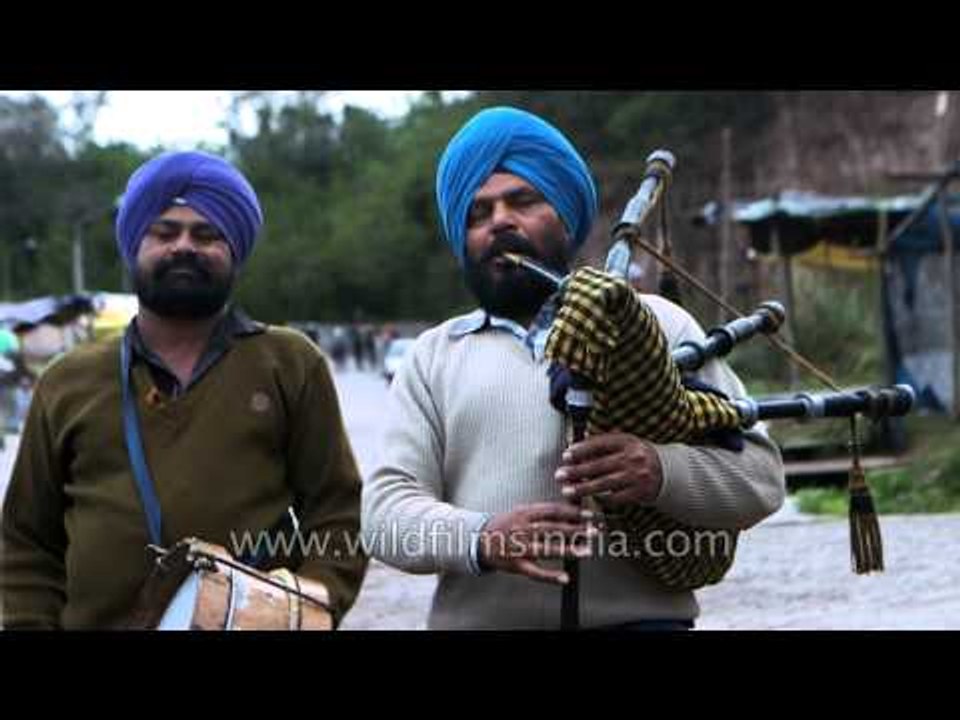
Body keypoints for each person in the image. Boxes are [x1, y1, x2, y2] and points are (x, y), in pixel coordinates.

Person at [361, 106, 786, 630]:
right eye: (477, 213)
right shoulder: (433, 356)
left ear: (564, 213)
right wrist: (481, 537)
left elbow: (762, 480)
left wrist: (659, 470)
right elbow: (384, 517)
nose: (500, 222)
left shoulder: (659, 325)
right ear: (462, 238)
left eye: (523, 201)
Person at [1, 151, 367, 629]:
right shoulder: (67, 380)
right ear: (135, 244)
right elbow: (27, 541)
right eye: (165, 231)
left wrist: (309, 603)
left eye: (207, 234)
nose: (184, 247)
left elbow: (339, 514)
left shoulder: (289, 363)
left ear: (235, 249)